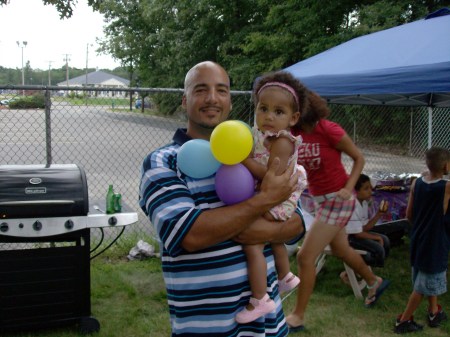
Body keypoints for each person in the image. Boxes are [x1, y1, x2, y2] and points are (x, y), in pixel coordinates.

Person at [139, 61, 305, 337]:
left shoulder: (258, 153)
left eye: (222, 90)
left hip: (270, 327)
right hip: (208, 329)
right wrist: (263, 202)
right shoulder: (163, 162)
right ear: (185, 100)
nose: (212, 98)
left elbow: (297, 222)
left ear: (230, 100)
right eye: (201, 90)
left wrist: (262, 229)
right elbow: (189, 235)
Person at [285, 84, 390, 332]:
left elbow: (359, 158)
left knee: (304, 256)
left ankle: (298, 316)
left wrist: (350, 187)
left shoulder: (329, 130)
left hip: (339, 201)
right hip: (324, 202)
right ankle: (374, 281)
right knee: (342, 250)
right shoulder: (295, 132)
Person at [237, 72, 308, 323]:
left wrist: (242, 160)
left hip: (279, 197)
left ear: (293, 118)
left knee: (253, 242)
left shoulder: (283, 141)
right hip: (273, 195)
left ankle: (260, 300)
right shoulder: (262, 134)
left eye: (278, 112)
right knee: (272, 238)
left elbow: (271, 178)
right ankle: (286, 276)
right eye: (263, 108)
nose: (269, 116)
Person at [393, 147, 450, 334]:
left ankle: (434, 312)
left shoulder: (417, 183)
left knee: (425, 276)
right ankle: (403, 320)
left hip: (418, 237)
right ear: (446, 165)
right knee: (422, 285)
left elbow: (409, 214)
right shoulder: (446, 187)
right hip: (434, 242)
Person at [345, 173, 391, 268]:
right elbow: (357, 234)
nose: (370, 191)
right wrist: (376, 238)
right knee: (378, 248)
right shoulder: (352, 205)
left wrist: (379, 214)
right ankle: (370, 267)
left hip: (357, 234)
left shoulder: (364, 202)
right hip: (348, 239)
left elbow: (365, 228)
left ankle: (378, 264)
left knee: (385, 240)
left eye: (370, 188)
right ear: (356, 191)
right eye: (366, 189)